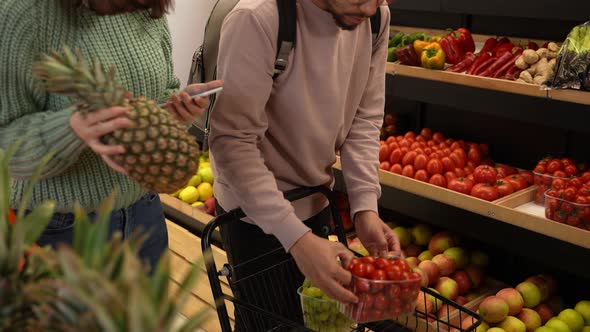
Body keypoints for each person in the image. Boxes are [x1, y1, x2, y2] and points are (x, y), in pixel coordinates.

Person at [208, 0, 401, 329]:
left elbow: (364, 120)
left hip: (317, 202)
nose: (370, 7)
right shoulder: (257, 18)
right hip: (253, 217)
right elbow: (233, 143)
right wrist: (295, 238)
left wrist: (366, 208)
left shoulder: (375, 20)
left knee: (318, 323)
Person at [0, 0, 222, 272]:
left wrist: (171, 109)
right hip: (61, 229)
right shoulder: (22, 12)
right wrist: (69, 129)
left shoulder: (144, 5)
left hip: (145, 212)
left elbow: (158, 91)